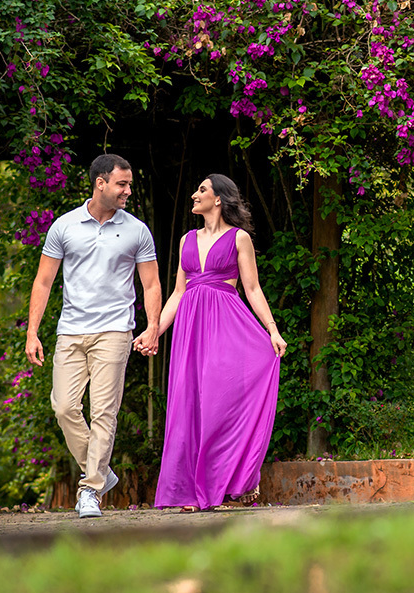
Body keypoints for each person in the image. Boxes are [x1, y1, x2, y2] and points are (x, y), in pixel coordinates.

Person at [134, 174, 286, 512]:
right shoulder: (186, 239)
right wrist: (154, 330)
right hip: (190, 329)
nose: (194, 194)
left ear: (218, 199)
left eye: (201, 189)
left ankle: (232, 481)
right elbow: (178, 293)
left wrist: (272, 330)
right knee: (189, 404)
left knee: (218, 402)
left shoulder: (239, 238)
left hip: (226, 324)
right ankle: (190, 492)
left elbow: (252, 289)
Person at [25, 153, 161, 518]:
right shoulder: (64, 226)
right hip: (71, 330)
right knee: (64, 407)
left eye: (129, 185)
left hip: (115, 329)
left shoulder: (136, 231)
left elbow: (150, 284)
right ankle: (100, 470)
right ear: (100, 183)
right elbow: (43, 281)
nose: (128, 191)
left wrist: (152, 326)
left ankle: (90, 490)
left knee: (103, 411)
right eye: (122, 184)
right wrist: (32, 332)